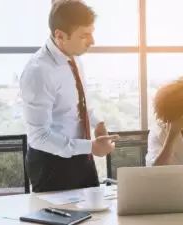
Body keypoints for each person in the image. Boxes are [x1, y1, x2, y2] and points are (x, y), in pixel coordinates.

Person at [20, 0, 119, 192]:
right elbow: (39, 136)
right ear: (60, 35)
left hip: (81, 155)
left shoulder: (73, 58)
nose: (92, 41)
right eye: (84, 35)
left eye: (92, 33)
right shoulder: (38, 71)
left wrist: (97, 122)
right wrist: (90, 147)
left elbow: (79, 105)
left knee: (93, 216)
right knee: (61, 220)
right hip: (51, 164)